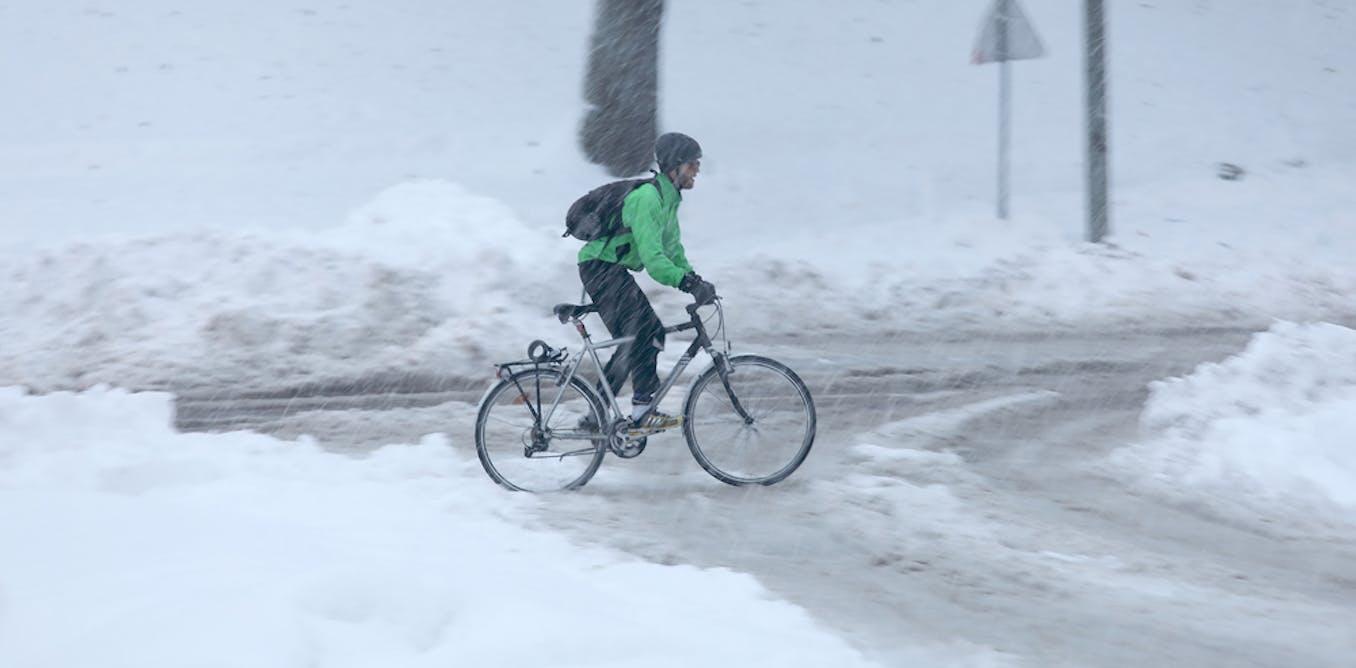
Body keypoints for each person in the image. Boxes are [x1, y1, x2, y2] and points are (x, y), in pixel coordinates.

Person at [577, 132, 718, 430]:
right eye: (693, 164)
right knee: (639, 334)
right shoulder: (648, 199)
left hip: (611, 269)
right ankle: (611, 414)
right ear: (675, 166)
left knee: (645, 333)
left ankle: (628, 412)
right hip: (599, 268)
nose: (697, 171)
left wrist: (694, 278)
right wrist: (687, 284)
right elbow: (654, 261)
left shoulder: (668, 200)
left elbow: (672, 250)